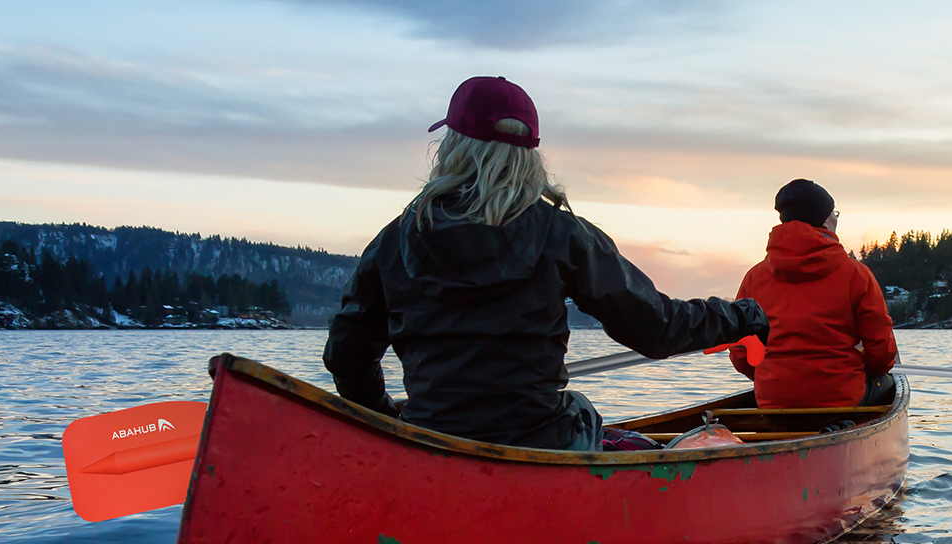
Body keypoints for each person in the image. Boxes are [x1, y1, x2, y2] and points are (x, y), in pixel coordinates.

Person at [323, 76, 768, 451]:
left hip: (432, 440)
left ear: (453, 147)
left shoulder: (394, 241)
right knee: (589, 418)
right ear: (529, 155)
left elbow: (347, 357)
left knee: (581, 415)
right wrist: (744, 316)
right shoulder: (562, 234)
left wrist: (390, 429)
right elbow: (658, 328)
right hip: (542, 440)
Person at [729, 179, 899, 428]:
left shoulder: (754, 278)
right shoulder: (856, 274)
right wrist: (864, 369)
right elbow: (882, 353)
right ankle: (843, 432)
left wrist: (770, 377)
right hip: (840, 401)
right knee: (892, 384)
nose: (836, 219)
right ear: (824, 219)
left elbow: (739, 352)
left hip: (774, 403)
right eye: (834, 213)